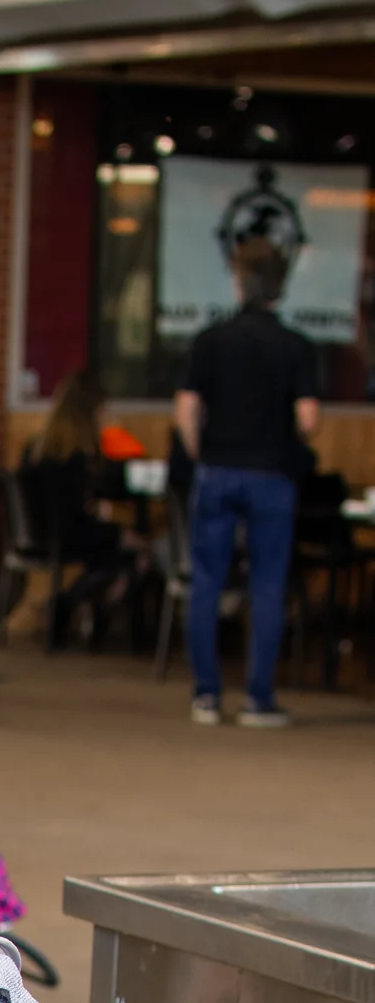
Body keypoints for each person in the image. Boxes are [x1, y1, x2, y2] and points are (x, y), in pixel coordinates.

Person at [177, 236, 320, 728]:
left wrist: (201, 453)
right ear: (281, 286)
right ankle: (259, 699)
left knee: (206, 582)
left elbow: (187, 409)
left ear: (238, 282)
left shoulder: (210, 341)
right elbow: (308, 419)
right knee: (267, 585)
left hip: (218, 469)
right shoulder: (296, 346)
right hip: (273, 476)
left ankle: (206, 695)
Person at [20, 371, 145, 645]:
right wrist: (113, 433)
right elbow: (92, 504)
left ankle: (81, 608)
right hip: (73, 534)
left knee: (113, 556)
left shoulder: (37, 449)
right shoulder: (79, 457)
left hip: (39, 536)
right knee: (137, 551)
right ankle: (78, 604)